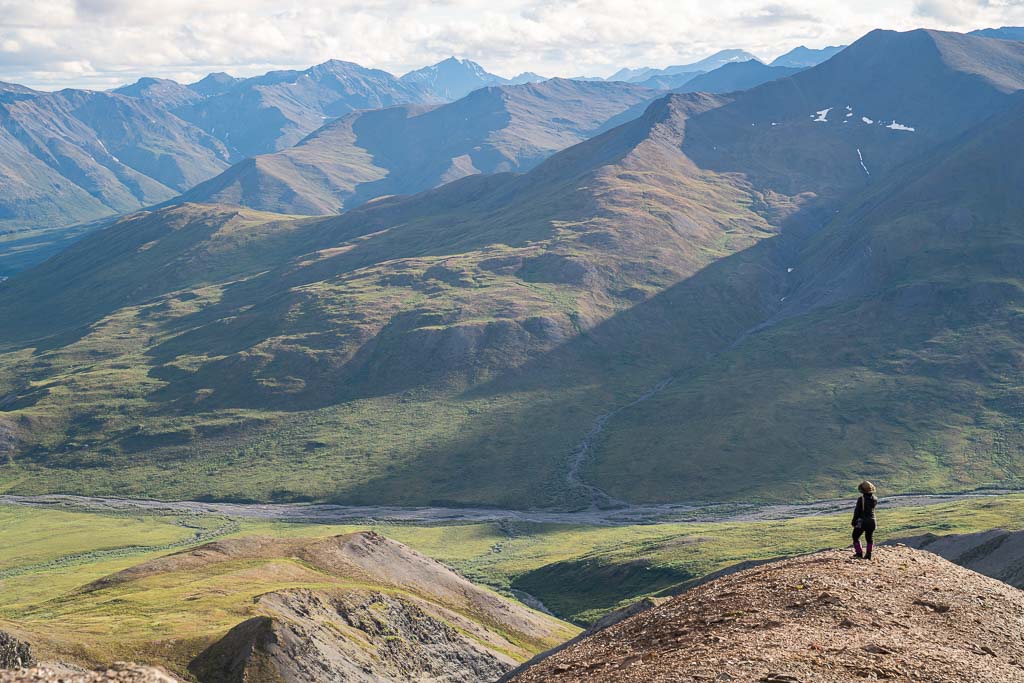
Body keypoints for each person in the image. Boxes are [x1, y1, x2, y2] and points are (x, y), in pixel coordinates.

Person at [851, 480, 877, 560]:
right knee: (869, 538)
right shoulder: (875, 498)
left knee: (855, 536)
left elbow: (857, 511)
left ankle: (859, 553)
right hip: (872, 521)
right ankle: (868, 554)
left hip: (862, 521)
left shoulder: (861, 499)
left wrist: (853, 521)